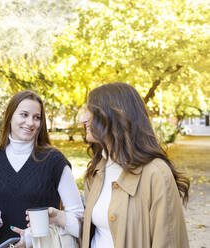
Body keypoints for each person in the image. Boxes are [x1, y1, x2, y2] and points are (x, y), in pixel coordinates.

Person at [79, 82, 190, 248]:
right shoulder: (97, 170)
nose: (84, 119)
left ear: (112, 117)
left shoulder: (156, 173)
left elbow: (168, 241)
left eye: (91, 112)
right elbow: (94, 229)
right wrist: (61, 219)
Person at [0, 90, 84, 248]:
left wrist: (32, 239)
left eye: (36, 117)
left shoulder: (54, 160)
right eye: (24, 115)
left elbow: (79, 222)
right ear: (10, 117)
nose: (31, 123)